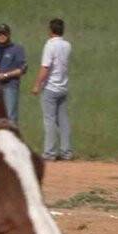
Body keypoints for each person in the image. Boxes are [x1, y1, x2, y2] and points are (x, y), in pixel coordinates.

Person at [32, 18, 73, 161]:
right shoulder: (67, 45)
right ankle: (66, 151)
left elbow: (45, 67)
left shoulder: (50, 45)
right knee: (63, 120)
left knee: (49, 120)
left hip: (50, 87)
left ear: (50, 31)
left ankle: (49, 152)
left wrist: (37, 84)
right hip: (63, 86)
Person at [0, 24, 27, 121]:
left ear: (9, 35)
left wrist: (6, 75)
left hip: (10, 86)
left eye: (4, 34)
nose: (1, 36)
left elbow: (22, 69)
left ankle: (13, 135)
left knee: (10, 116)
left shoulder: (17, 49)